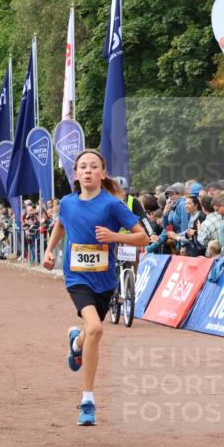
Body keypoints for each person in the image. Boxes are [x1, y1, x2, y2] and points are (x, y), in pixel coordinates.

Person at [42, 149, 149, 426]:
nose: (88, 171)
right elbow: (61, 225)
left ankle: (75, 342)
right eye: (83, 167)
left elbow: (143, 237)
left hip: (105, 281)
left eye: (93, 167)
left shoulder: (112, 205)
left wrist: (114, 236)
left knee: (90, 332)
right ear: (76, 174)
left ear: (103, 173)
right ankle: (87, 401)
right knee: (97, 329)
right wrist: (49, 250)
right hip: (77, 278)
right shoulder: (67, 203)